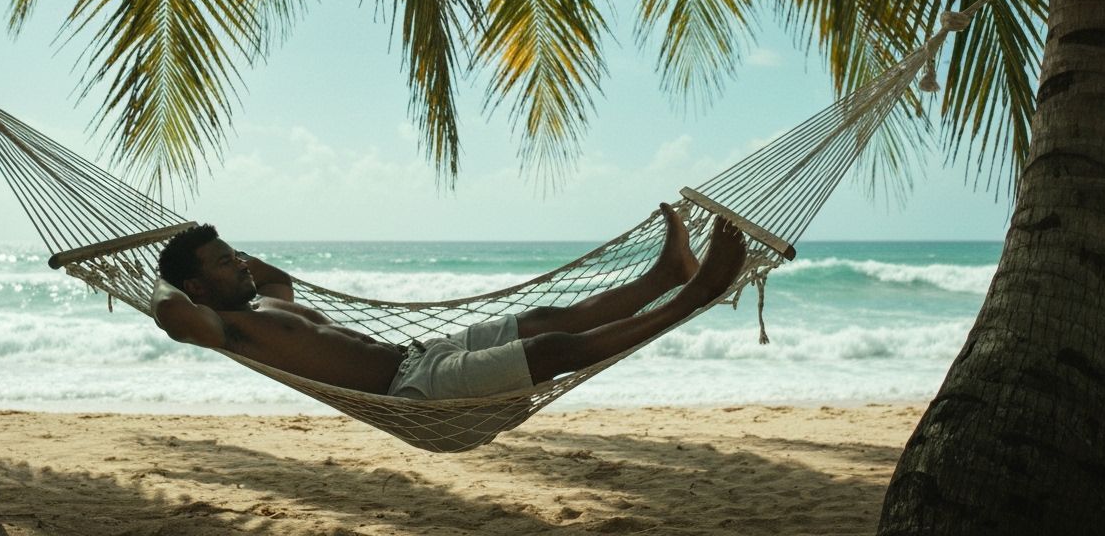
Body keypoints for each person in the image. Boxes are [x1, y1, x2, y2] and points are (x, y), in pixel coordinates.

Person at [152, 203, 747, 400]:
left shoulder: (266, 306)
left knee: (545, 317)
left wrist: (224, 258)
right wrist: (155, 275)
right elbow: (170, 314)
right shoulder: (223, 325)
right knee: (555, 348)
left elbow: (276, 276)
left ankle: (666, 274)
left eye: (235, 254)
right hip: (412, 392)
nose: (239, 262)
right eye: (224, 261)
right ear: (199, 287)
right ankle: (693, 296)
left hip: (420, 352)